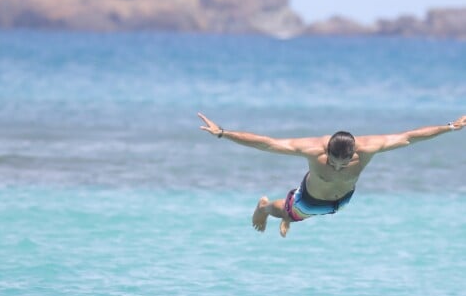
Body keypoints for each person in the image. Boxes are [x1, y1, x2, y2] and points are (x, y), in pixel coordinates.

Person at [198, 112, 466, 237]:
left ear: (353, 154)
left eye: (343, 164)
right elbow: (267, 143)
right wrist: (223, 133)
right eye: (333, 163)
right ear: (327, 151)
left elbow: (409, 137)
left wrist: (451, 126)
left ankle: (287, 213)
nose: (337, 167)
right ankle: (265, 207)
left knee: (299, 216)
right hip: (311, 199)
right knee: (290, 213)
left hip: (343, 200)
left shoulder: (369, 148)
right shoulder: (312, 150)